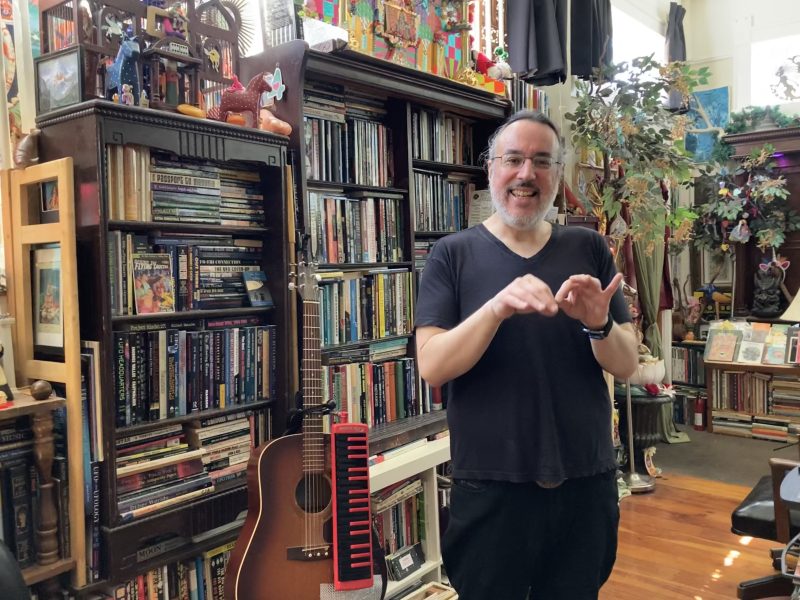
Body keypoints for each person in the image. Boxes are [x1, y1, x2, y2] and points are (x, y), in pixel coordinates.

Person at [415, 110, 639, 600]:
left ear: (558, 175)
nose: (526, 174)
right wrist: (495, 308)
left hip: (586, 481)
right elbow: (431, 364)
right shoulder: (451, 255)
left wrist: (598, 323)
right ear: (491, 168)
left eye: (542, 161)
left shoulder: (588, 247)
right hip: (490, 486)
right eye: (513, 159)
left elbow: (627, 364)